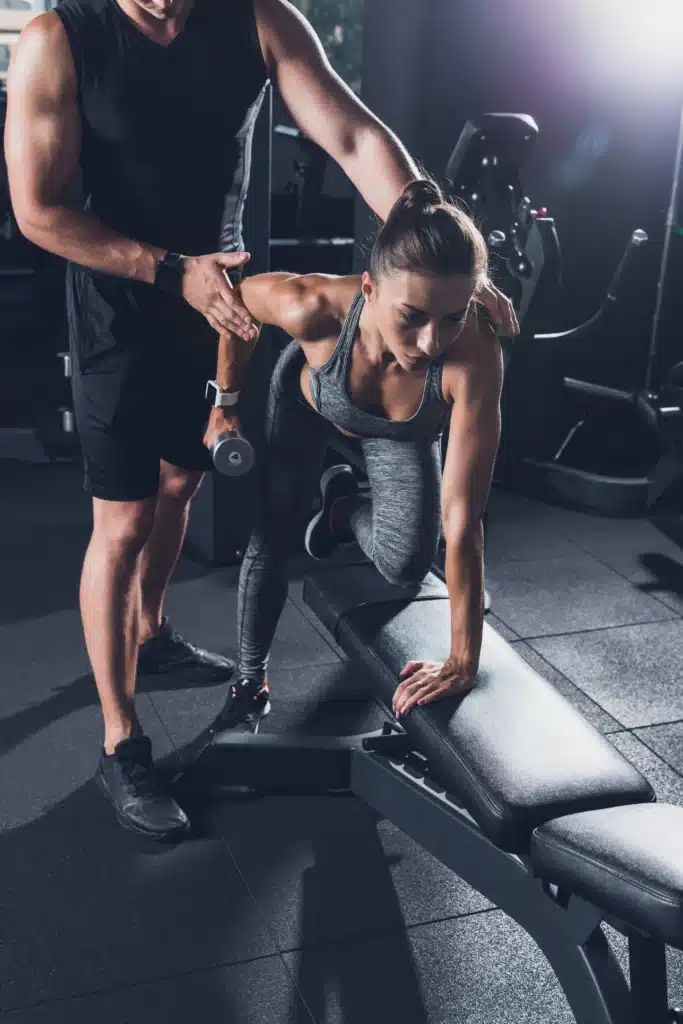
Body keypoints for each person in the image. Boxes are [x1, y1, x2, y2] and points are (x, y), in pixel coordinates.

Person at [4, 0, 516, 841]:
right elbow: (40, 210)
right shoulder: (60, 40)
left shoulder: (256, 19)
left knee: (179, 483)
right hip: (122, 303)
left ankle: (152, 631)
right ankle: (121, 741)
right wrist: (169, 272)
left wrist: (432, 240)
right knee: (125, 520)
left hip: (222, 297)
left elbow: (351, 138)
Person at [205, 178, 513, 736]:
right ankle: (250, 682)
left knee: (406, 567)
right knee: (273, 532)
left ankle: (343, 507)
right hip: (310, 401)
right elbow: (235, 299)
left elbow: (463, 520)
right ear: (368, 288)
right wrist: (225, 402)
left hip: (400, 431)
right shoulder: (313, 307)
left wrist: (462, 661)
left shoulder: (476, 357)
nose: (430, 343)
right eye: (413, 315)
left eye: (453, 316)